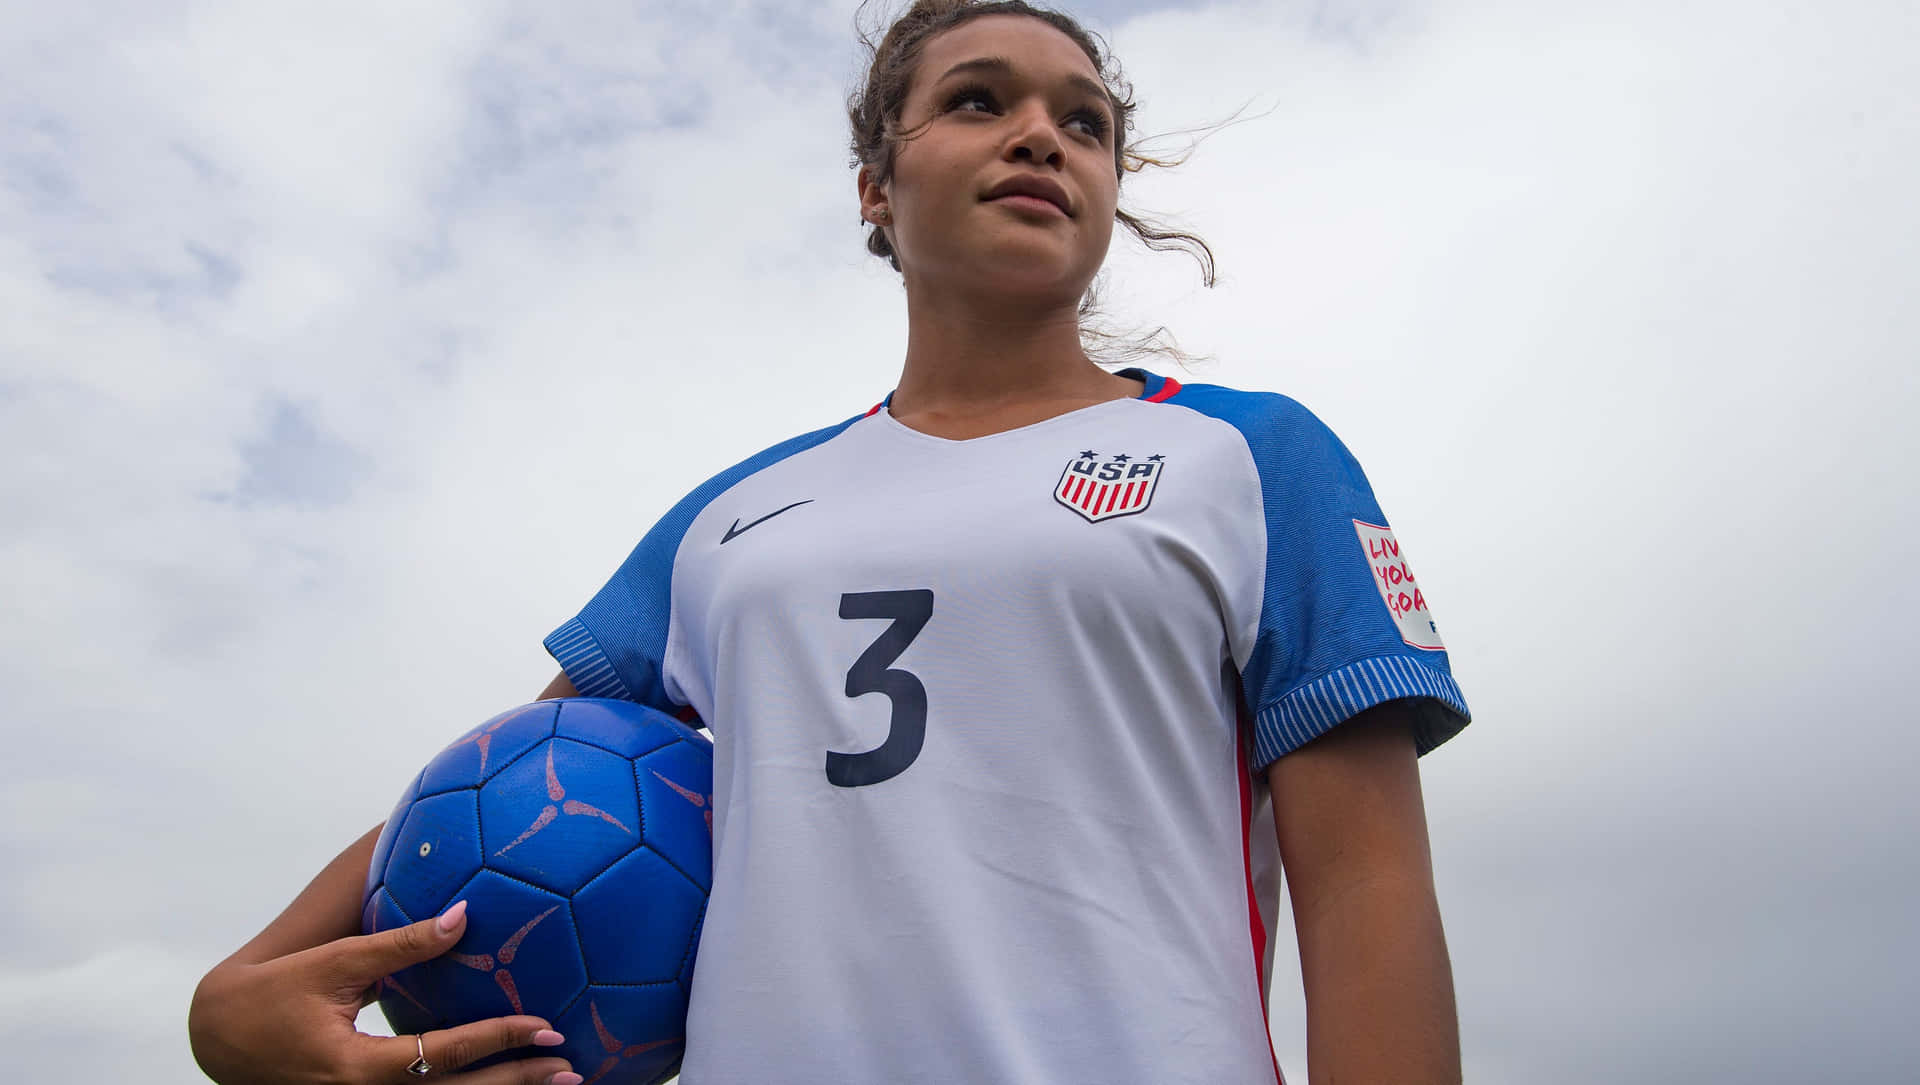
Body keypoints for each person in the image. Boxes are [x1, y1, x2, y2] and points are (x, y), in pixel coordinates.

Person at [188, 1, 1470, 1082]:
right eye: (980, 100)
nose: (1042, 135)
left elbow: (1368, 892)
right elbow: (520, 785)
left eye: (1086, 123)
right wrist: (237, 996)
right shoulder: (732, 517)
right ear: (875, 186)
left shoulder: (1252, 457)